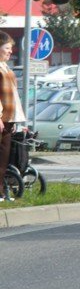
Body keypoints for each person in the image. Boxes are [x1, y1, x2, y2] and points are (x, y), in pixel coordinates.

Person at [0, 32, 24, 201]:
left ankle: (1, 191)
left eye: (11, 48)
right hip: (1, 120)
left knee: (3, 160)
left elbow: (13, 96)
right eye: (7, 48)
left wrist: (14, 119)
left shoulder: (7, 69)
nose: (10, 51)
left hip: (8, 120)